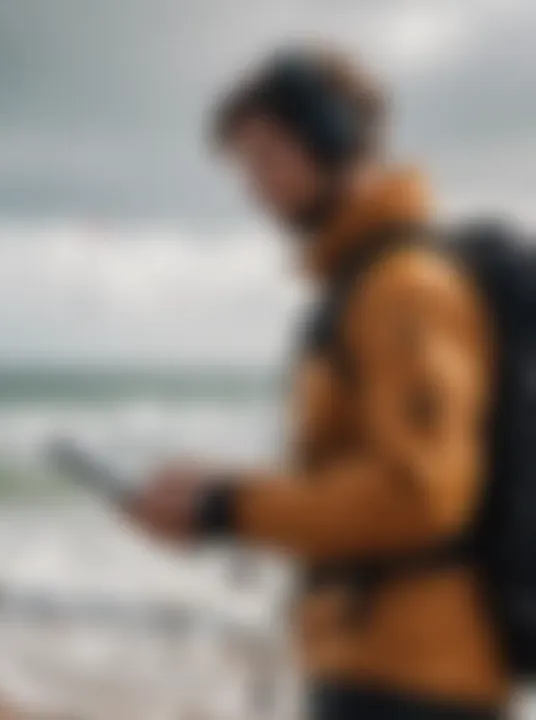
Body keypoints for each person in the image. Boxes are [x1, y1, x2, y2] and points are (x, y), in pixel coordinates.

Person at [126, 46, 512, 720]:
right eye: (246, 165)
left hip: (417, 683)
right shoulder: (361, 282)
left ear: (334, 141)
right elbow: (351, 480)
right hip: (375, 663)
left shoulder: (404, 289)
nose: (255, 186)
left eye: (268, 157)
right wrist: (217, 504)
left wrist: (228, 507)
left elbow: (420, 494)